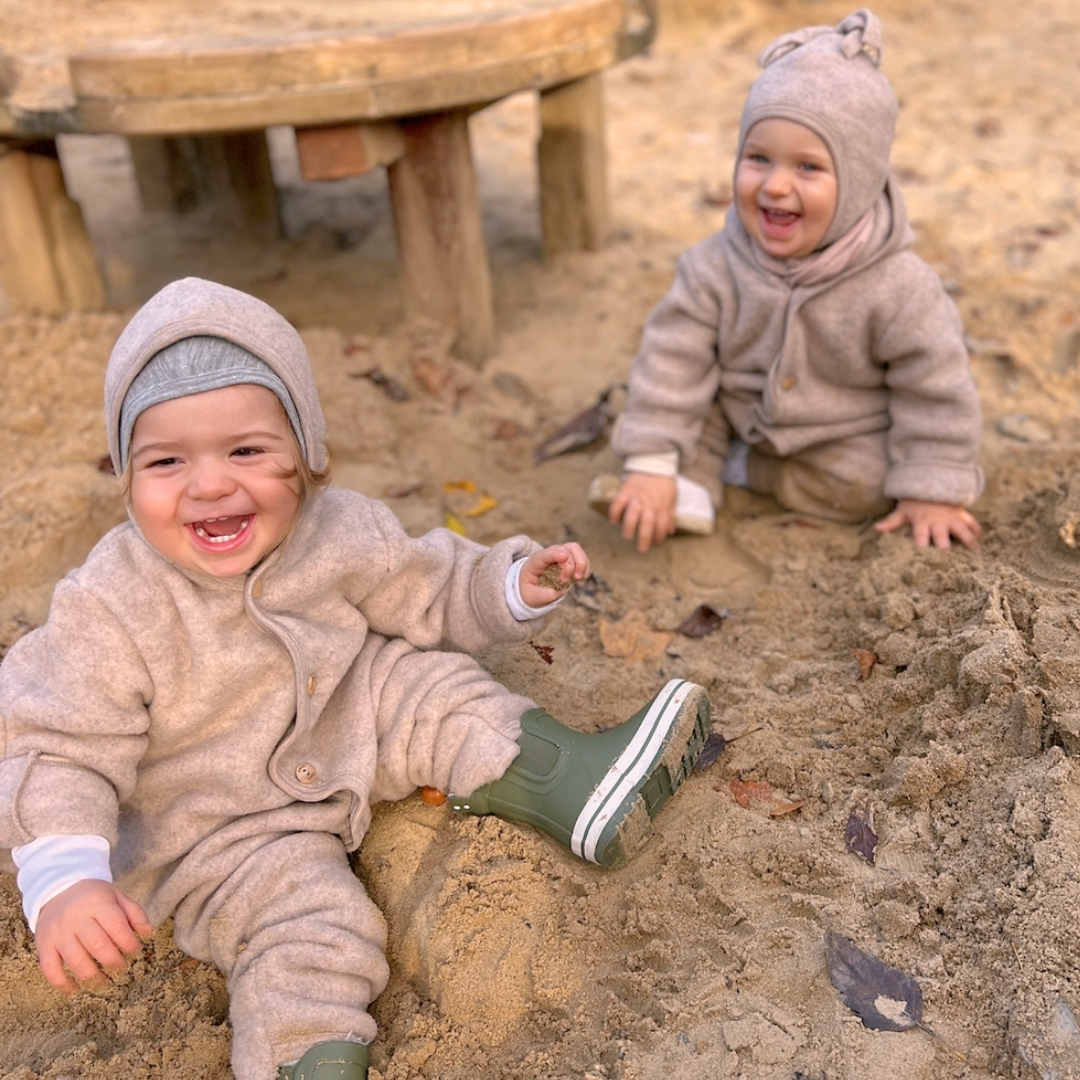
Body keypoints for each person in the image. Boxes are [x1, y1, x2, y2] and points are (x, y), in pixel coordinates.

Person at [0, 278, 711, 1080]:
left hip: (342, 721)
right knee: (315, 929)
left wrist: (509, 587)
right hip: (212, 831)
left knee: (431, 686)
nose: (208, 484)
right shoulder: (110, 602)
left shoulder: (340, 528)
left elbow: (425, 585)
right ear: (125, 476)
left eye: (247, 451)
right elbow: (58, 746)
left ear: (307, 455)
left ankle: (571, 784)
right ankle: (305, 1056)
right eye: (167, 460)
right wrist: (65, 880)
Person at [590, 8, 984, 554]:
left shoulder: (902, 288)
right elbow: (672, 359)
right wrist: (651, 461)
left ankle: (745, 470)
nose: (775, 185)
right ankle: (680, 482)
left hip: (838, 434)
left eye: (807, 168)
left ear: (860, 182)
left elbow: (936, 390)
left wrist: (935, 486)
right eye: (758, 158)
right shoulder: (714, 266)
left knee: (871, 483)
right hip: (735, 408)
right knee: (673, 414)